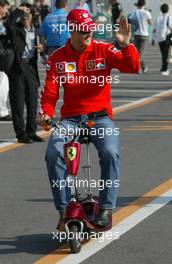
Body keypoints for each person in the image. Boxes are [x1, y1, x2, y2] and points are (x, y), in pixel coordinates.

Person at [37, 9, 140, 229]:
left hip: (100, 118)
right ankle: (64, 209)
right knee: (53, 152)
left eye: (91, 30)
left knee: (111, 153)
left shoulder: (103, 49)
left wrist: (125, 44)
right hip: (70, 120)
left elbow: (132, 67)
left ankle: (105, 208)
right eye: (84, 31)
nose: (88, 34)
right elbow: (50, 92)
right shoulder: (58, 58)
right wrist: (45, 111)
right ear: (71, 30)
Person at [6, 3, 44, 143]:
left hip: (31, 68)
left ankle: (31, 131)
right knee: (18, 103)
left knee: (32, 102)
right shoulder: (15, 29)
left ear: (32, 16)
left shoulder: (37, 30)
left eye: (27, 15)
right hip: (18, 67)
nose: (25, 17)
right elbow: (8, 24)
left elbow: (41, 48)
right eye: (23, 15)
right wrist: (17, 11)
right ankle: (21, 134)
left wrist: (41, 48)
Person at [0, 0, 12, 121]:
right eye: (5, 8)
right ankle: (2, 111)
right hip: (2, 58)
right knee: (3, 84)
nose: (6, 11)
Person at [152, 4, 172, 76]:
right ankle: (164, 69)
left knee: (164, 54)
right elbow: (171, 27)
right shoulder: (169, 17)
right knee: (165, 55)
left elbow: (154, 30)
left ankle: (163, 68)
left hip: (159, 39)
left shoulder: (158, 18)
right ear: (168, 10)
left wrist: (153, 39)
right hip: (166, 38)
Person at [132, 0, 152, 73]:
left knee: (138, 53)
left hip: (137, 34)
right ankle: (141, 68)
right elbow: (150, 22)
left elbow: (131, 20)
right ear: (144, 4)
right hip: (144, 35)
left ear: (137, 5)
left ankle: (142, 67)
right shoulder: (147, 12)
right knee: (139, 53)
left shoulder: (135, 12)